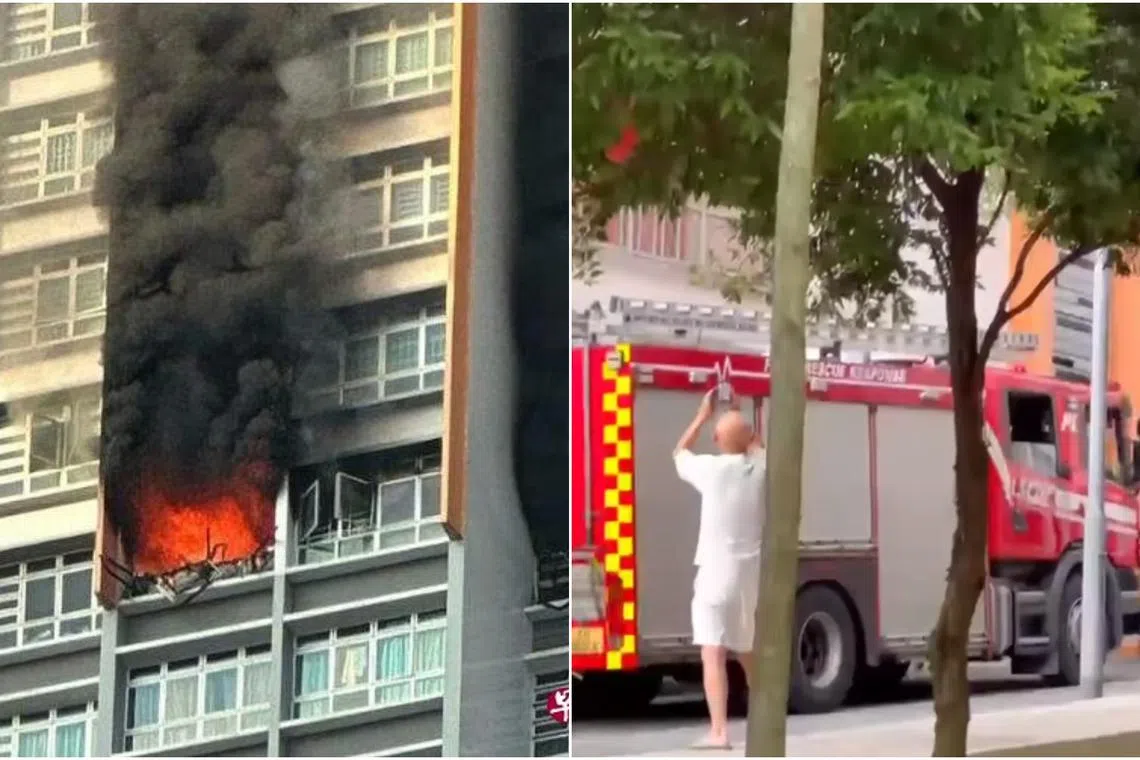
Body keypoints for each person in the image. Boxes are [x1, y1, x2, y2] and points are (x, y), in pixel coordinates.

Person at [673, 387, 765, 751]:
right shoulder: (758, 469)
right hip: (748, 575)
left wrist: (703, 414)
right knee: (745, 648)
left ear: (715, 439)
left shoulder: (710, 469)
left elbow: (679, 452)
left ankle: (719, 732)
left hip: (714, 572)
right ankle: (765, 712)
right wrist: (741, 419)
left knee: (712, 651)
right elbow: (756, 444)